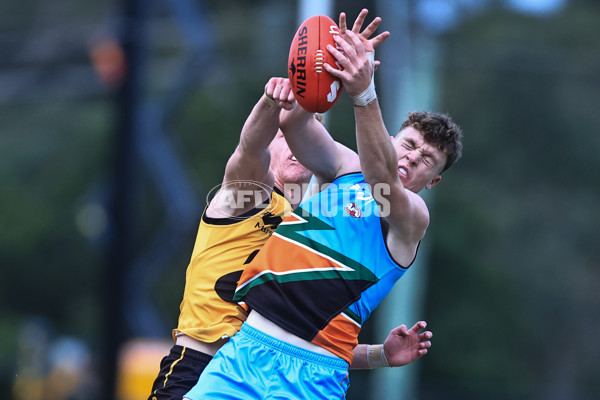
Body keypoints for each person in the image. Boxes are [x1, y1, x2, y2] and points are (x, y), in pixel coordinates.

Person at [183, 9, 463, 400]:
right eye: (409, 145)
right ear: (392, 139)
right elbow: (294, 124)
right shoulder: (346, 168)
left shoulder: (411, 218)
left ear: (431, 181)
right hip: (242, 357)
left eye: (426, 160)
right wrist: (330, 67)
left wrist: (364, 93)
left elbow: (382, 176)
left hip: (311, 378)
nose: (413, 158)